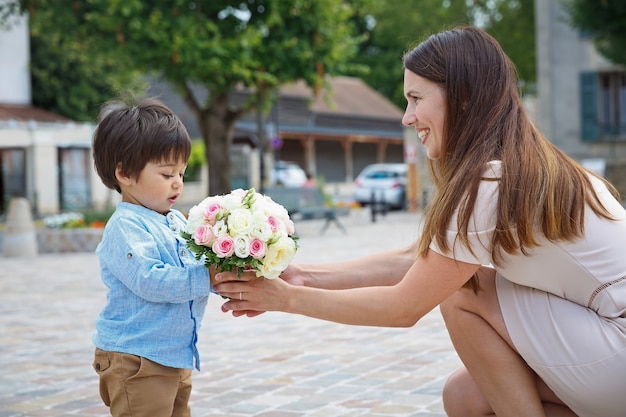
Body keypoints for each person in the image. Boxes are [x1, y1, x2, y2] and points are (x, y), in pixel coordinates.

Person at [213, 26, 626, 417]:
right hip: (606, 351)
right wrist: (303, 276)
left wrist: (287, 300)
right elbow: (421, 258)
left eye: (416, 98)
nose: (407, 117)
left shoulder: (491, 184)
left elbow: (405, 306)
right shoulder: (527, 168)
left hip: (617, 351)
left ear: (462, 98)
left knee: (466, 289)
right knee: (465, 397)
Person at [91, 95, 213, 417]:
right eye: (167, 174)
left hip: (174, 353)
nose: (178, 184)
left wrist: (223, 262)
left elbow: (195, 264)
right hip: (137, 358)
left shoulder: (174, 219)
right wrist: (208, 277)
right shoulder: (125, 226)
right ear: (125, 173)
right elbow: (152, 280)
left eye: (182, 174)